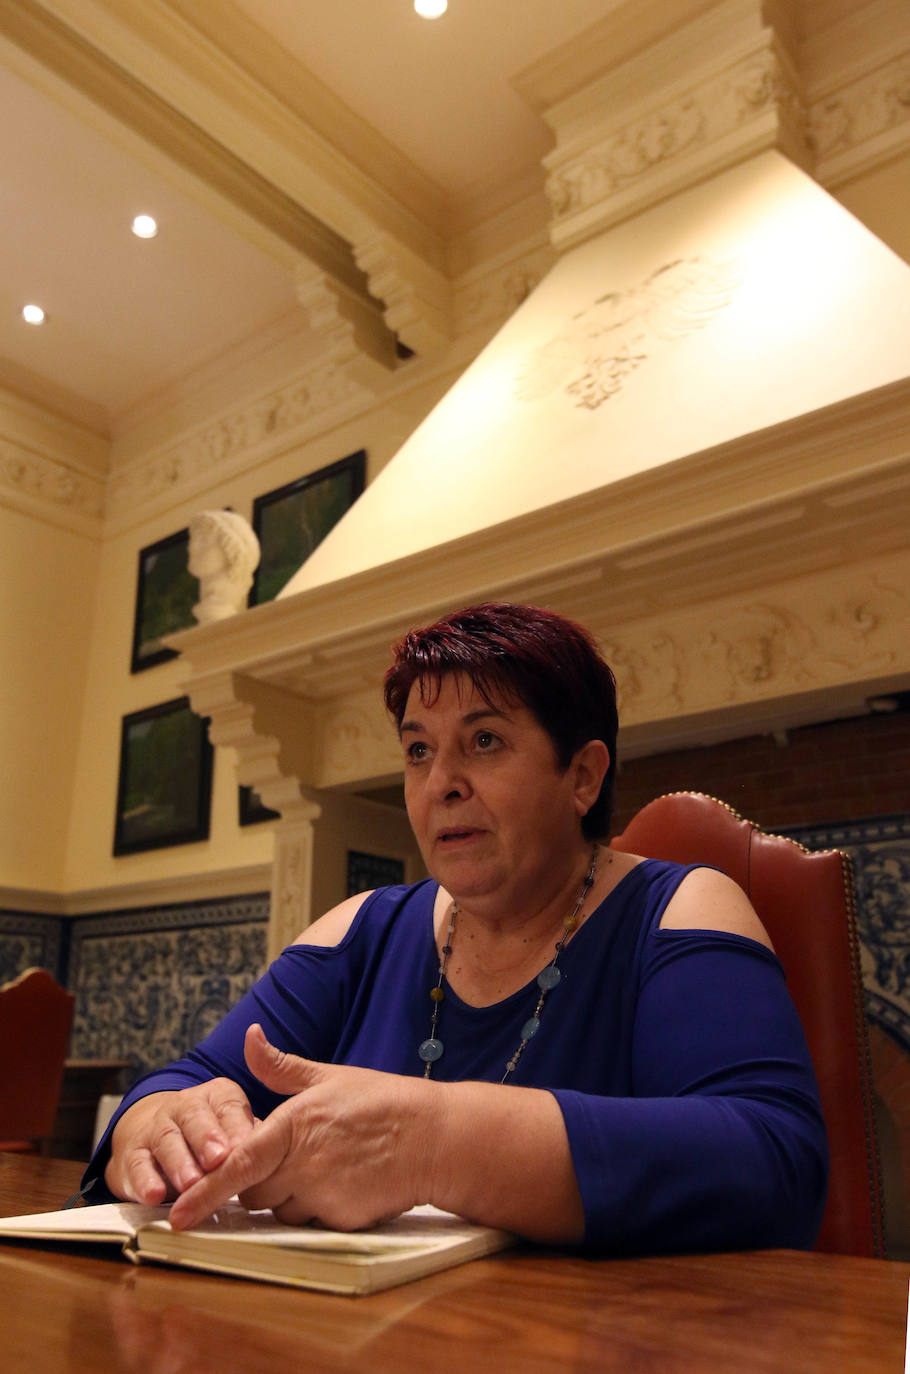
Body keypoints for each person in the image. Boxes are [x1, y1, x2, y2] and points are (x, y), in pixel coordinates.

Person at [86, 603, 827, 1253]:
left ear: (583, 776)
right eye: (417, 750)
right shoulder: (364, 927)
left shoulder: (685, 904)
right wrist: (162, 1126)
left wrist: (432, 1143)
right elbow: (185, 1082)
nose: (441, 781)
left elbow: (774, 1162)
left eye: (483, 742)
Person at [188, 509, 260, 623]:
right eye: (193, 539)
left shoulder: (220, 610)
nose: (192, 547)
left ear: (230, 548)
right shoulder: (209, 607)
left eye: (203, 539)